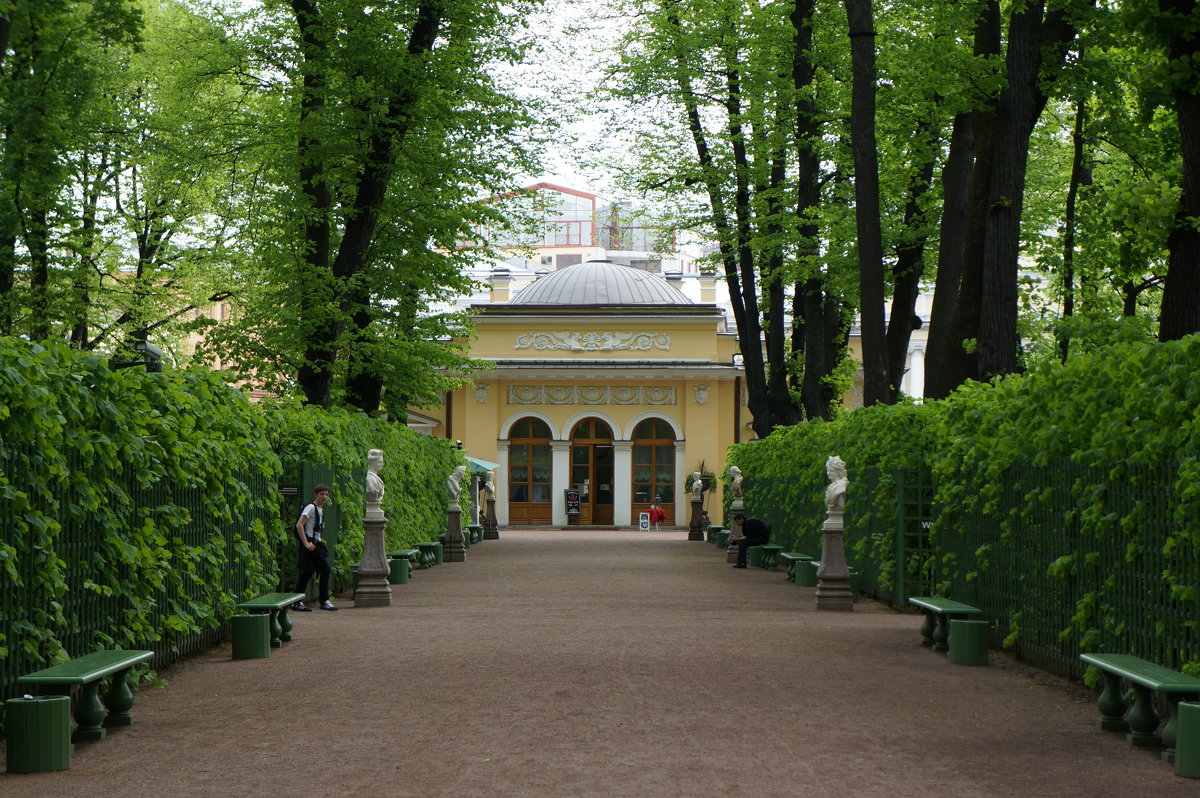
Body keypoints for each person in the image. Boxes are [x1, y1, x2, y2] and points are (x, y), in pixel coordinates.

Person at [292, 484, 338, 611]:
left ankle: (296, 601)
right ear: (316, 495)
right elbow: (299, 525)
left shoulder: (319, 509)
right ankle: (324, 601)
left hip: (315, 543)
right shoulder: (311, 508)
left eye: (327, 495)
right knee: (325, 569)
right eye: (322, 494)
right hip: (311, 544)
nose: (324, 497)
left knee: (308, 571)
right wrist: (306, 543)